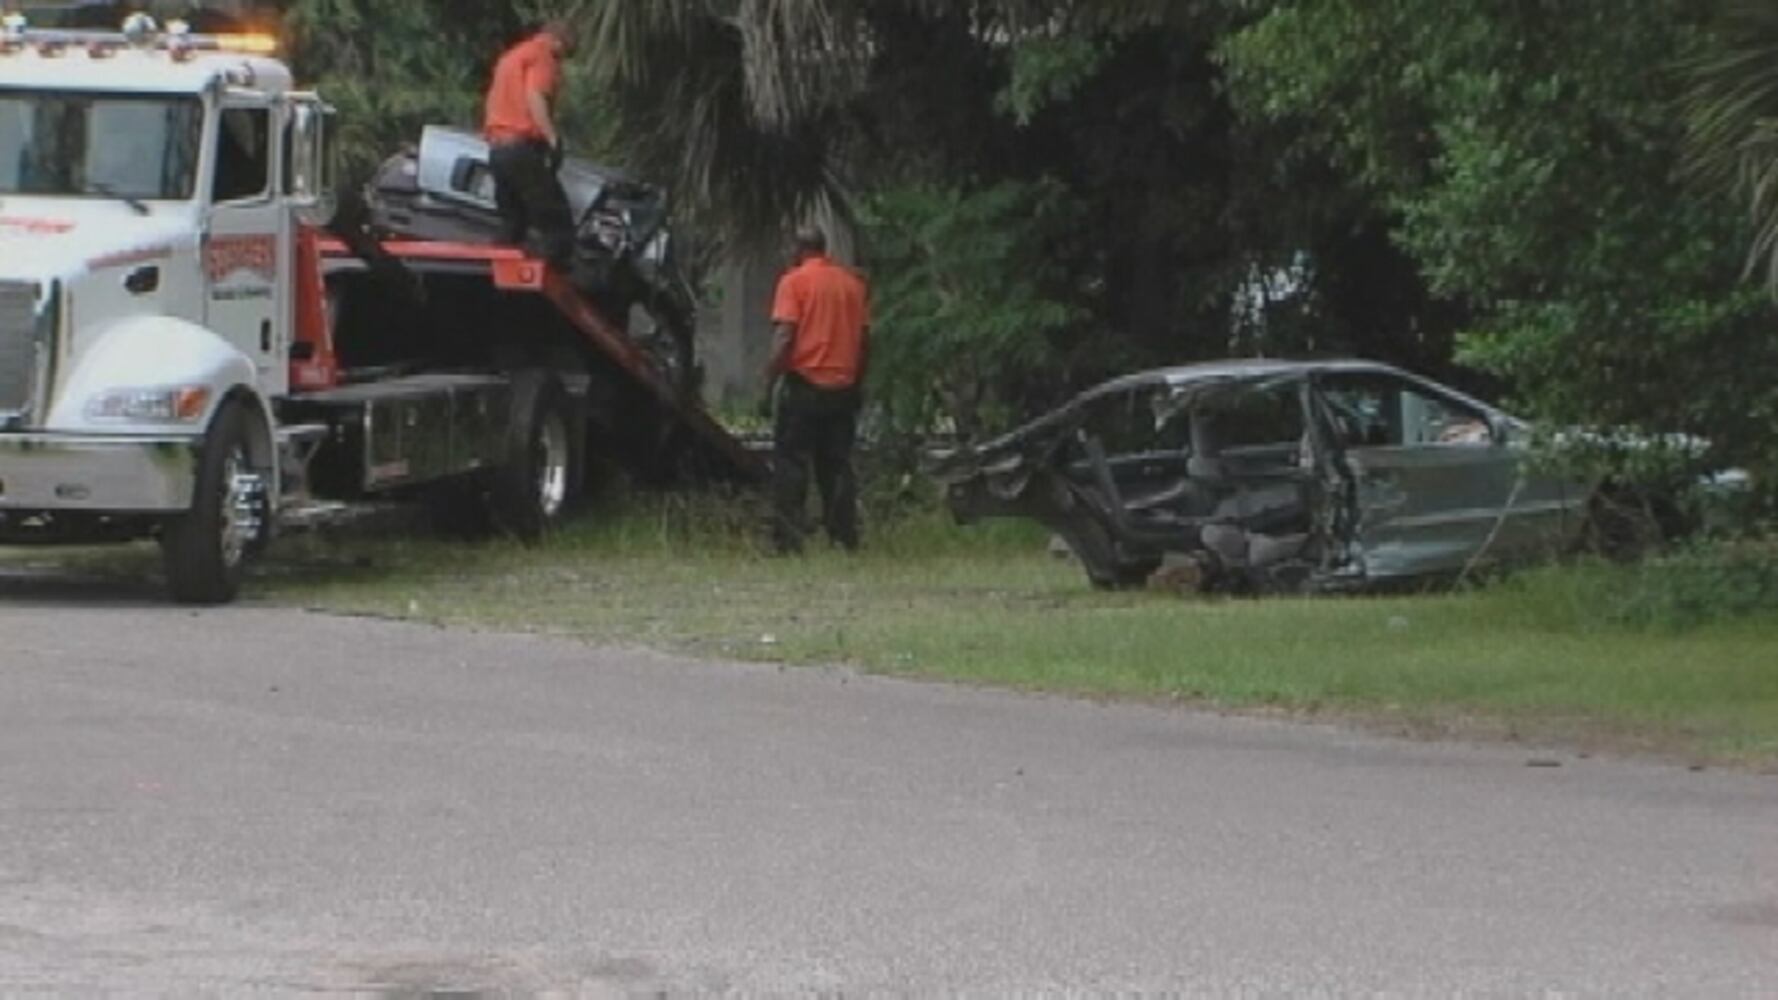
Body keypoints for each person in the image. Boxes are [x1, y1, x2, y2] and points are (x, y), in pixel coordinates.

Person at [765, 227, 871, 554]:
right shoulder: (852, 284)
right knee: (837, 465)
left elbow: (785, 337)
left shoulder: (794, 282)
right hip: (843, 388)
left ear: (799, 249)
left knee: (792, 463)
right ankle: (843, 538)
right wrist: (857, 379)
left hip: (805, 386)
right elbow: (866, 341)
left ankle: (788, 540)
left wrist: (768, 381)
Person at [483, 20, 577, 267]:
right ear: (559, 41)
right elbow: (535, 97)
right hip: (520, 146)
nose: (563, 62)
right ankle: (557, 271)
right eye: (566, 53)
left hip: (497, 148)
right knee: (556, 220)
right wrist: (552, 138)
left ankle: (499, 272)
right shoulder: (543, 56)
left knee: (513, 221)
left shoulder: (513, 56)